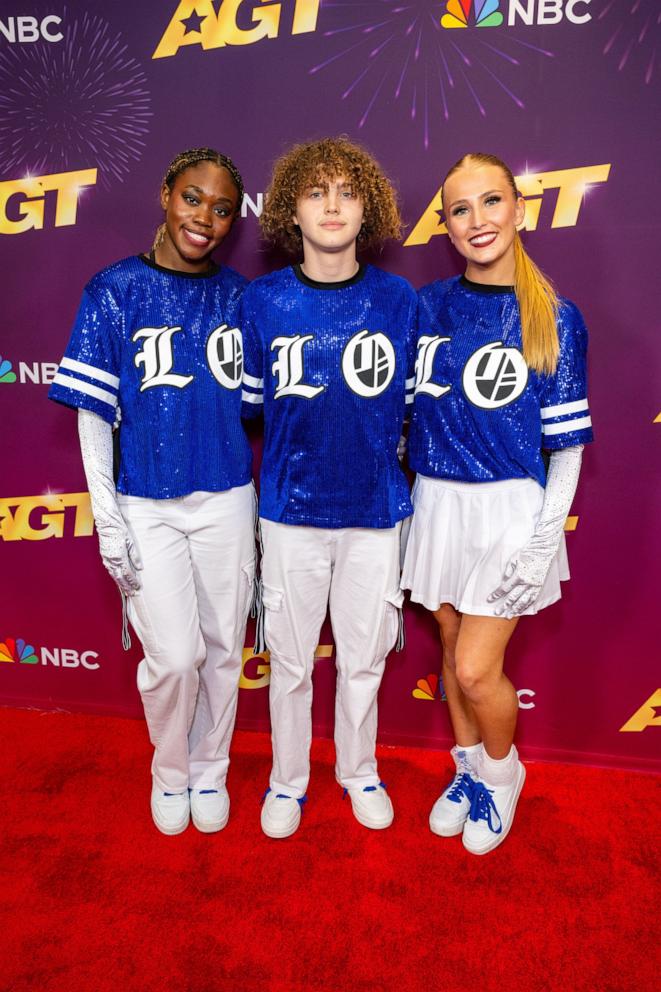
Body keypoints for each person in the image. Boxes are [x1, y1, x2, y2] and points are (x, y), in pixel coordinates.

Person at [48, 148, 255, 836]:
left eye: (222, 208)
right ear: (167, 193)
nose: (206, 218)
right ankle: (169, 771)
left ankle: (210, 769)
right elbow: (91, 416)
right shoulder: (113, 290)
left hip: (227, 495)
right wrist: (108, 520)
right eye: (194, 198)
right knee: (173, 657)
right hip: (146, 501)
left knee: (224, 648)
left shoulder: (237, 296)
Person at [402, 152, 593, 855]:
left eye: (489, 203)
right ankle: (468, 769)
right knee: (451, 648)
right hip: (435, 501)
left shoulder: (555, 318)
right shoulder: (427, 307)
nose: (476, 221)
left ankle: (502, 772)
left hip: (509, 509)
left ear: (517, 210)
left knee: (478, 669)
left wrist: (541, 541)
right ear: (445, 225)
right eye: (459, 209)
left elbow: (566, 447)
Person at [240, 137, 417, 838]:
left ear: (367, 205)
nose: (333, 205)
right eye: (316, 192)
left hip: (375, 510)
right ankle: (287, 782)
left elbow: (408, 406)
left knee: (363, 659)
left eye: (347, 191)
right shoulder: (262, 300)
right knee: (287, 662)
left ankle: (357, 769)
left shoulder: (398, 298)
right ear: (291, 210)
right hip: (288, 510)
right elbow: (254, 404)